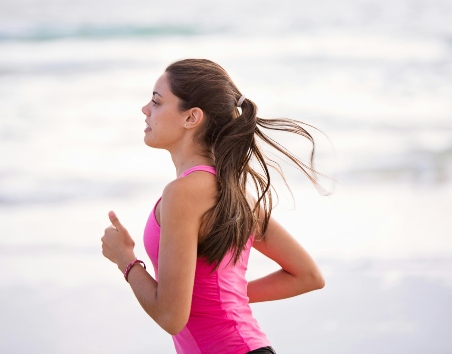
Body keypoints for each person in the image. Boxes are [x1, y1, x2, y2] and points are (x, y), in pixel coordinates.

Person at [100, 59, 326, 354]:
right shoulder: (231, 190)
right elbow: (307, 276)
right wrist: (222, 299)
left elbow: (170, 318)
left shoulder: (182, 193)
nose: (145, 109)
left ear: (191, 117)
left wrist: (125, 259)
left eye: (156, 102)